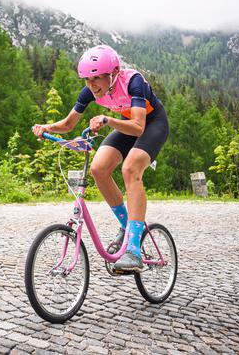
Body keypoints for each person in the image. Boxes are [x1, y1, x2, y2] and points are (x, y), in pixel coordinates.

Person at [32, 45, 168, 271]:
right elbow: (68, 124)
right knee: (99, 168)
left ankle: (133, 250)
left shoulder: (133, 81)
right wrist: (48, 127)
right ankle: (127, 226)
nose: (91, 85)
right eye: (86, 79)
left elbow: (138, 127)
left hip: (152, 125)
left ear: (113, 74)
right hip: (124, 123)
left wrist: (107, 120)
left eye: (96, 79)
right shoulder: (90, 92)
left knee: (130, 169)